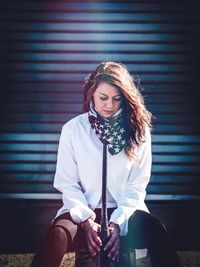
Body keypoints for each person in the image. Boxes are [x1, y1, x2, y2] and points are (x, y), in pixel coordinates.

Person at [31, 61, 181, 267]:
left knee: (156, 229)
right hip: (83, 209)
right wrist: (85, 220)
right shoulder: (73, 129)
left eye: (116, 99)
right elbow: (67, 183)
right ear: (92, 93)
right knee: (58, 234)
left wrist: (117, 223)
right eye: (103, 97)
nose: (109, 105)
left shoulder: (139, 129)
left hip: (125, 211)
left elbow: (137, 184)